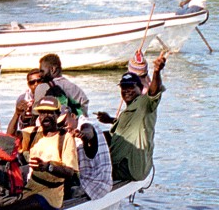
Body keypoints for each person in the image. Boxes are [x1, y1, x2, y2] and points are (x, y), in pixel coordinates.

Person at [99, 50, 167, 183]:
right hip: (124, 164)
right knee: (99, 135)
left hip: (130, 167)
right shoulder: (131, 108)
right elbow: (129, 125)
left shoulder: (144, 103)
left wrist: (157, 71)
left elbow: (153, 92)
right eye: (124, 87)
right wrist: (110, 120)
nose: (127, 90)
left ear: (140, 89)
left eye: (131, 87)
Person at [16, 96, 79, 208]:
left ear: (58, 114)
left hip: (51, 193)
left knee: (18, 207)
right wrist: (16, 114)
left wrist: (48, 167)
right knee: (12, 203)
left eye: (50, 113)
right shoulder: (34, 132)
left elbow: (70, 172)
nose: (45, 117)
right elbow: (11, 138)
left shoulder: (65, 138)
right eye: (42, 113)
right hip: (32, 186)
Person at [31, 53, 89, 128]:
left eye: (42, 71)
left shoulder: (42, 87)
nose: (40, 75)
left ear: (53, 69)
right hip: (75, 130)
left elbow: (36, 115)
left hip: (54, 132)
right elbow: (83, 115)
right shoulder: (77, 89)